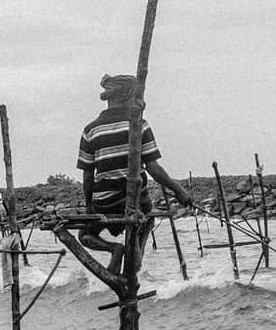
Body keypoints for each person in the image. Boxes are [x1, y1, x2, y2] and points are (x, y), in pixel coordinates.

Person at [76, 73, 196, 269]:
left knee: (85, 234)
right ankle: (135, 255)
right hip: (137, 201)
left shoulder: (90, 130)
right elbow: (153, 168)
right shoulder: (139, 125)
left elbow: (88, 176)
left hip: (105, 203)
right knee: (147, 219)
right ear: (129, 97)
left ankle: (114, 249)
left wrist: (90, 205)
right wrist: (180, 191)